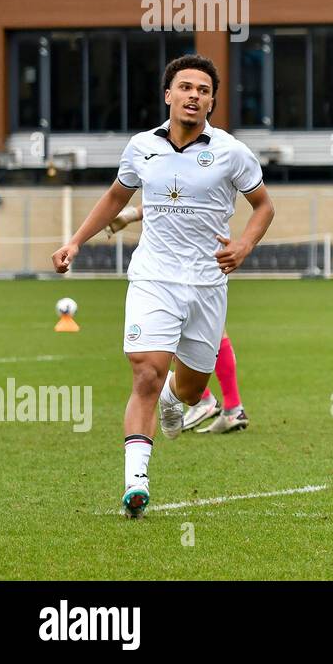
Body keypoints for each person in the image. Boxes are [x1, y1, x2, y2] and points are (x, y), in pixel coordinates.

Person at [52, 55, 275, 518]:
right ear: (168, 94)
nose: (195, 95)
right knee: (146, 371)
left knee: (191, 388)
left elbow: (263, 207)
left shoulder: (232, 151)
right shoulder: (140, 147)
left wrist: (245, 246)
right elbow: (117, 196)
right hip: (153, 278)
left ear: (212, 100)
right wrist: (75, 241)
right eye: (186, 87)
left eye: (204, 90)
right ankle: (136, 480)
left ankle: (179, 401)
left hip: (208, 283)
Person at [107, 206, 250, 434]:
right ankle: (231, 407)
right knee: (211, 331)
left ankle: (204, 401)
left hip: (186, 263)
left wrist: (130, 214)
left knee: (172, 327)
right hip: (203, 263)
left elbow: (177, 196)